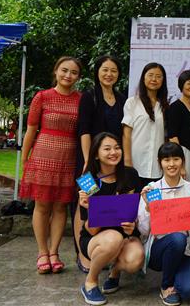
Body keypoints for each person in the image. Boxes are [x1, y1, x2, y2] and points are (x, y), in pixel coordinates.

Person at [19, 56, 82, 274]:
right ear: (56, 71)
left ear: (78, 77)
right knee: (43, 206)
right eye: (64, 70)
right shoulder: (42, 97)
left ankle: (54, 252)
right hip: (43, 157)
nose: (68, 75)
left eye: (74, 72)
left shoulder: (81, 100)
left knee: (60, 207)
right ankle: (42, 252)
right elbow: (30, 130)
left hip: (69, 159)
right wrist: (25, 160)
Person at [78, 133, 144, 305]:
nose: (113, 152)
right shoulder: (88, 181)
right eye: (107, 149)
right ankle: (90, 282)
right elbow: (91, 230)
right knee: (113, 238)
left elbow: (138, 212)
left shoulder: (130, 175)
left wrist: (134, 225)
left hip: (126, 234)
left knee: (135, 260)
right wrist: (91, 209)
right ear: (96, 154)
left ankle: (115, 271)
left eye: (117, 148)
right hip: (96, 238)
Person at [75, 55, 126, 273]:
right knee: (83, 203)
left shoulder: (122, 98)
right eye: (105, 70)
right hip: (90, 160)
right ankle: (82, 254)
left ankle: (105, 251)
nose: (109, 74)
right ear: (97, 72)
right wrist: (88, 159)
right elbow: (84, 129)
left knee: (106, 201)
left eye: (113, 70)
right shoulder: (89, 96)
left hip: (112, 158)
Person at [137, 142, 190, 306]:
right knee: (177, 238)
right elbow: (143, 231)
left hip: (184, 250)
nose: (171, 164)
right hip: (158, 250)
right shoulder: (151, 189)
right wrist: (148, 210)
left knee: (189, 290)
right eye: (166, 160)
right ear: (160, 163)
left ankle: (176, 273)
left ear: (183, 161)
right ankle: (166, 286)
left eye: (176, 159)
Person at [123, 62, 168, 187]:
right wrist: (127, 161)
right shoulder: (132, 102)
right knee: (134, 197)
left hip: (156, 166)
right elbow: (126, 134)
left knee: (153, 198)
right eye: (150, 75)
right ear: (143, 78)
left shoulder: (164, 106)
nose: (154, 79)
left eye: (158, 76)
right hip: (136, 163)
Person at [167, 70, 190, 183]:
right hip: (184, 154)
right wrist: (180, 163)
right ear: (181, 85)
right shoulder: (175, 107)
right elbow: (173, 137)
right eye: (189, 83)